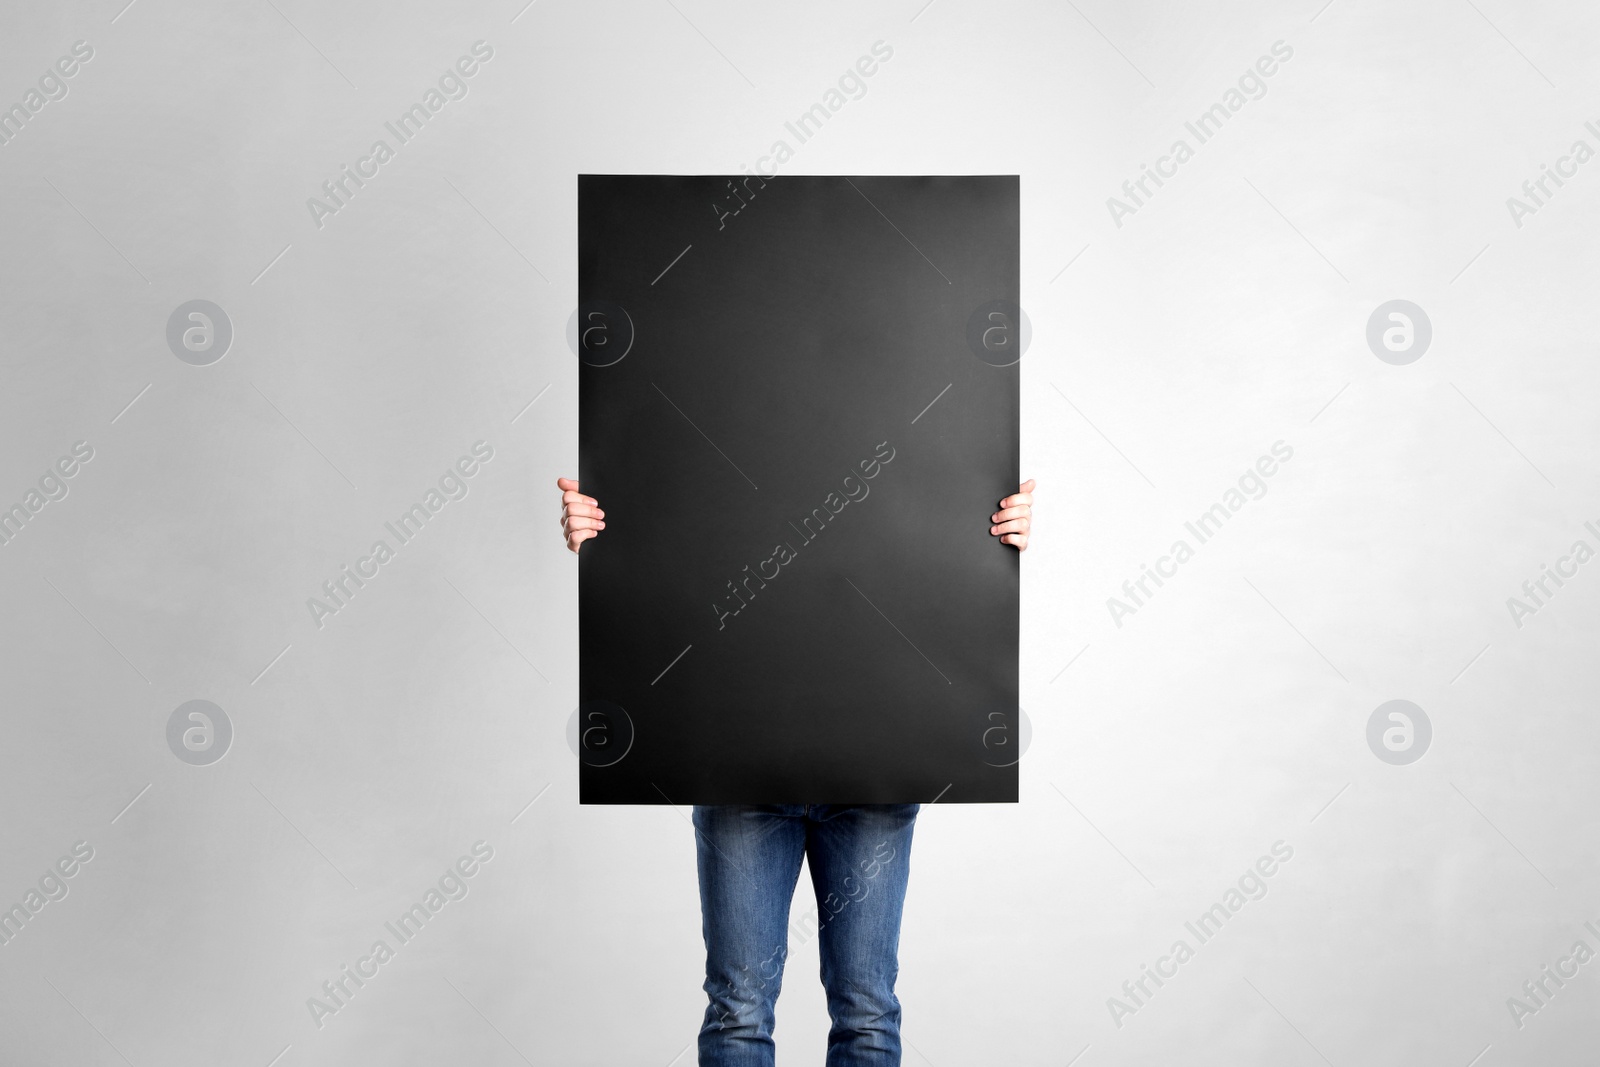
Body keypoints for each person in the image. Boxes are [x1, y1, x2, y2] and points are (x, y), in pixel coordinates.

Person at [558, 474, 1035, 1066]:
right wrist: (608, 535)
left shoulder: (910, 413)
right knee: (739, 1010)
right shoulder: (712, 402)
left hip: (874, 763)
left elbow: (924, 544)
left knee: (866, 1010)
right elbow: (685, 525)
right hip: (739, 761)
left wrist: (990, 533)